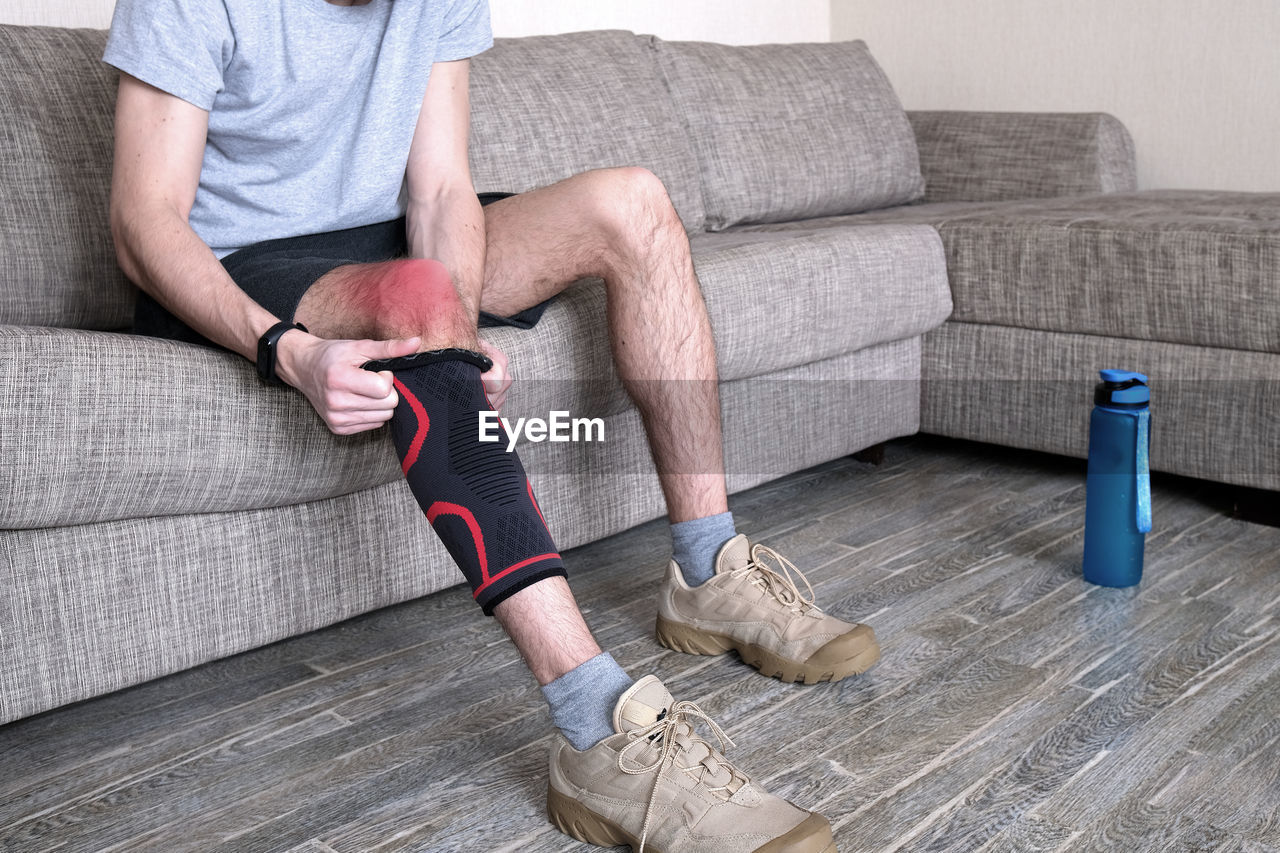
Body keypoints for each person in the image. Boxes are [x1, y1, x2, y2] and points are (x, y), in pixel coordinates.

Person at [104, 0, 879, 849]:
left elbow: (439, 188)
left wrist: (460, 337)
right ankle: (596, 726)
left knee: (634, 202)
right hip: (236, 263)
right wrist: (288, 352)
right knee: (419, 292)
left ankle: (709, 569)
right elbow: (144, 223)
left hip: (385, 242)